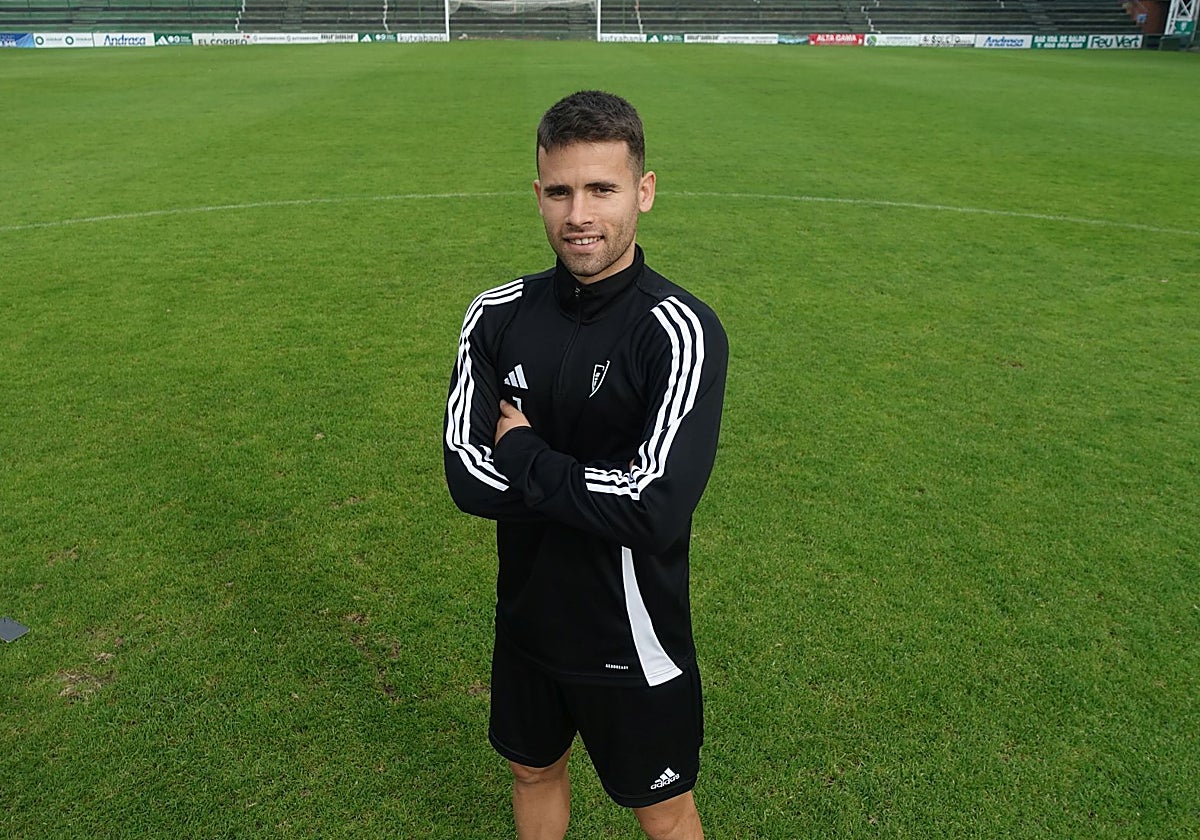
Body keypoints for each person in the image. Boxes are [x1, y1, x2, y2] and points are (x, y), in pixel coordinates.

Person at [443, 90, 727, 840]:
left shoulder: (679, 330)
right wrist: (599, 486)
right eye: (561, 191)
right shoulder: (495, 314)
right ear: (538, 195)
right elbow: (466, 478)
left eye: (602, 189)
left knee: (663, 815)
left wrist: (526, 450)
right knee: (532, 771)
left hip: (631, 635)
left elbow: (656, 507)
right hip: (529, 621)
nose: (580, 215)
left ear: (644, 191)